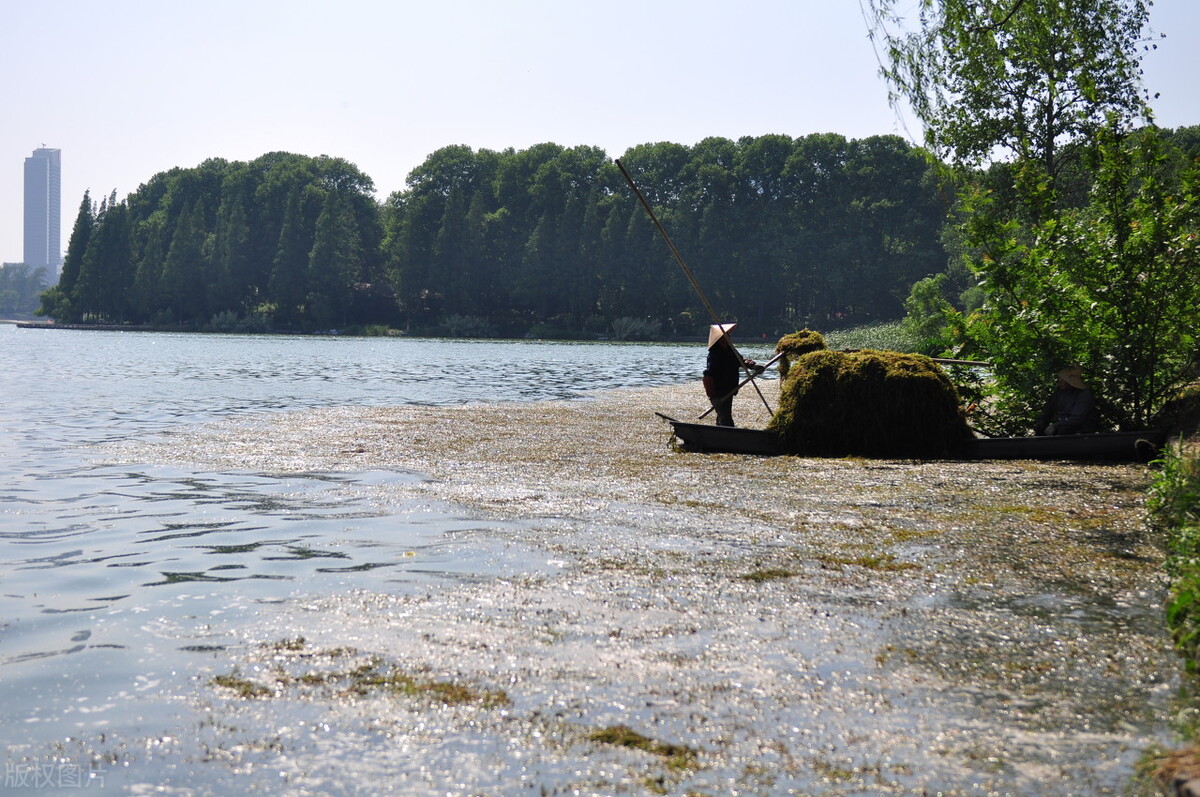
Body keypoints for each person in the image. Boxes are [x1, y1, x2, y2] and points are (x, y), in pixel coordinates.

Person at [703, 323, 761, 427]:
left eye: (729, 336)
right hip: (718, 392)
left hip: (729, 389)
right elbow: (708, 376)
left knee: (723, 416)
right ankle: (726, 437)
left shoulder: (731, 350)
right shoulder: (715, 354)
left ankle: (718, 433)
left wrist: (753, 366)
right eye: (726, 336)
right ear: (720, 338)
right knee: (726, 419)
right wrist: (713, 397)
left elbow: (740, 361)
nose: (729, 338)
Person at [1036, 365, 1101, 436]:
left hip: (1079, 427)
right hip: (1062, 423)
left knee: (1063, 430)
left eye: (1063, 380)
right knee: (1040, 428)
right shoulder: (1059, 392)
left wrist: (1056, 425)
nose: (1060, 382)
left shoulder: (1083, 395)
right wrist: (1042, 421)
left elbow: (1077, 418)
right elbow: (1049, 408)